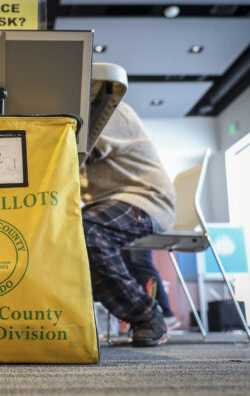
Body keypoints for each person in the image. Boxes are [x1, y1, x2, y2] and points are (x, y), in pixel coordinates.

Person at [81, 101, 176, 347]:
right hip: (104, 203)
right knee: (60, 232)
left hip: (144, 197)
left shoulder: (108, 108)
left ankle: (146, 313)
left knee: (88, 230)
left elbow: (75, 154)